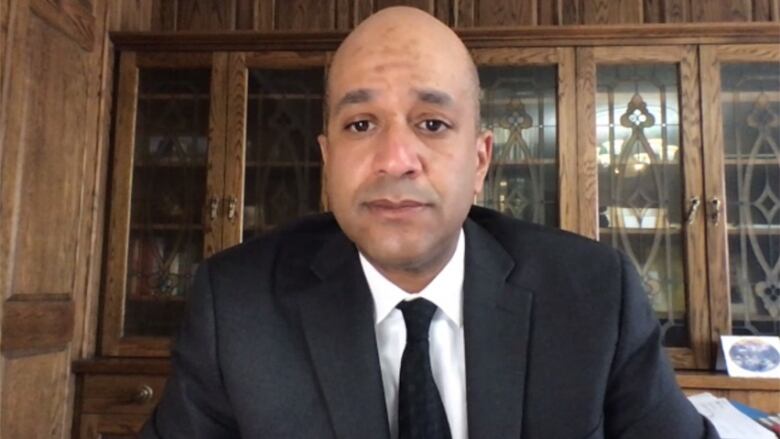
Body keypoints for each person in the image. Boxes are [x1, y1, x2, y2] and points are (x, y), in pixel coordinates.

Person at [141, 6, 719, 439]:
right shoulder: (237, 307)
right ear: (327, 160)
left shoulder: (593, 294)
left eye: (433, 124)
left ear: (480, 162)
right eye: (361, 125)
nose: (395, 159)